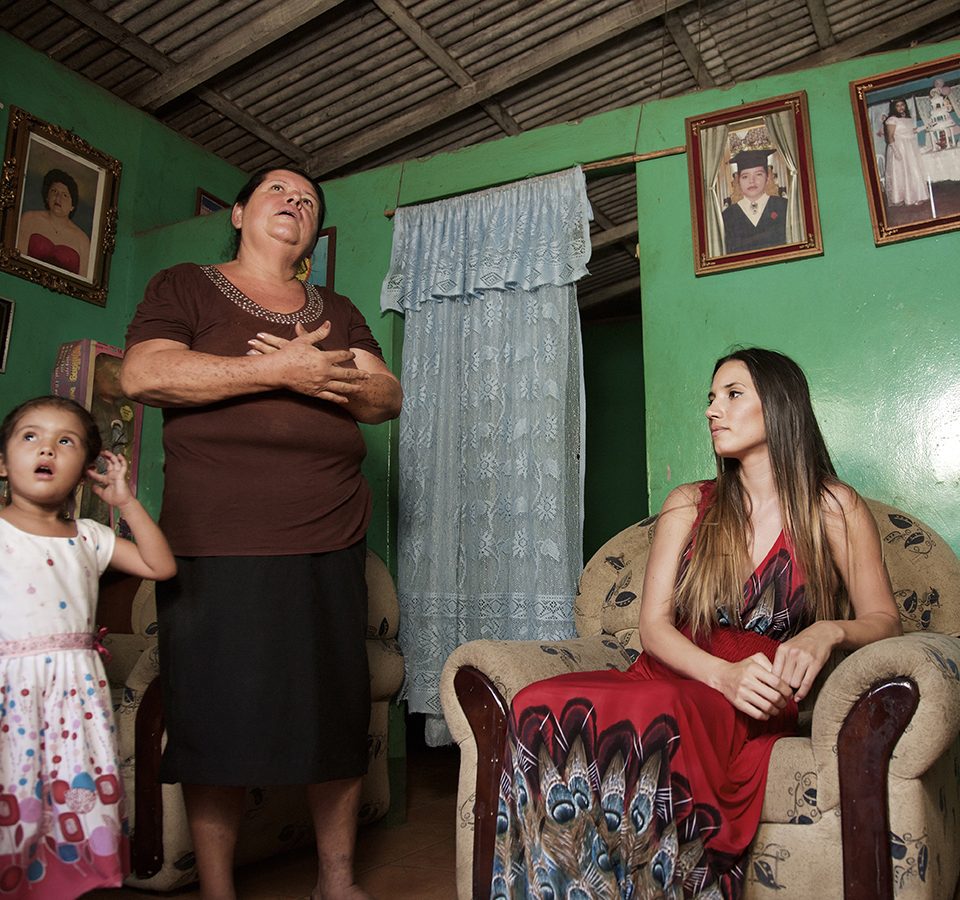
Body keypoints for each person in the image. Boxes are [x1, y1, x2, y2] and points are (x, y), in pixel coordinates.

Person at [491, 348, 902, 899]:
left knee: (665, 714)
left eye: (733, 395)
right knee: (535, 700)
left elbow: (884, 621)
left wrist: (827, 630)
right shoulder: (688, 503)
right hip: (675, 672)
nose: (713, 410)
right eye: (711, 398)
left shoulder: (834, 508)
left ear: (780, 407)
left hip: (752, 694)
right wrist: (718, 673)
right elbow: (653, 628)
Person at [120, 167, 403, 900]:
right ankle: (219, 890)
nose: (295, 203)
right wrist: (282, 371)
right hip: (217, 542)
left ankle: (335, 882)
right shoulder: (183, 285)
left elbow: (384, 395)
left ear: (315, 232)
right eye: (279, 191)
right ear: (239, 211)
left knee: (332, 721)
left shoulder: (336, 309)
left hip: (329, 537)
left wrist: (323, 372)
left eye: (308, 201)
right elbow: (145, 376)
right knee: (216, 722)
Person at [0, 395, 176, 898]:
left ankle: (64, 881)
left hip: (73, 701)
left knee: (70, 802)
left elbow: (161, 566)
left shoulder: (90, 537)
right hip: (11, 697)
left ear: (85, 470)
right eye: (30, 436)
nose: (47, 448)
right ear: (3, 459)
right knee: (14, 796)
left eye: (66, 440)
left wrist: (126, 503)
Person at [16, 169, 91, 278]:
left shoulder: (83, 240)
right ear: (47, 196)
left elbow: (84, 282)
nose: (58, 198)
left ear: (72, 206)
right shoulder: (29, 219)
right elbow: (16, 261)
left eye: (65, 195)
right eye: (54, 191)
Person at [721, 150, 788, 254]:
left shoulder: (784, 206)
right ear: (738, 180)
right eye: (745, 176)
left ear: (767, 177)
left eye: (758, 174)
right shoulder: (727, 216)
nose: (752, 181)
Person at [884, 98, 928, 207]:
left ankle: (916, 196)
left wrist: (925, 126)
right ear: (894, 107)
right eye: (897, 105)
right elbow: (890, 136)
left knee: (913, 170)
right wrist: (896, 151)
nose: (900, 107)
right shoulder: (892, 119)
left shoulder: (907, 118)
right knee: (900, 172)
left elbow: (910, 131)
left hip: (910, 147)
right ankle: (900, 198)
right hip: (899, 147)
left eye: (902, 105)